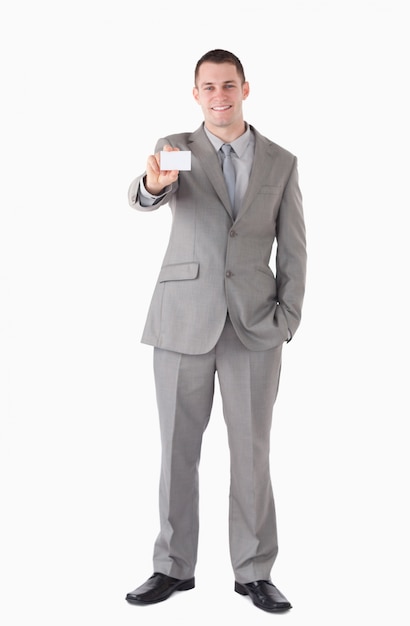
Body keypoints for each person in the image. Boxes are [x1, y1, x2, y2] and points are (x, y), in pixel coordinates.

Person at [125, 49, 307, 613]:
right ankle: (172, 567)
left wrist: (287, 318)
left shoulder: (280, 161)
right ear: (196, 93)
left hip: (254, 327)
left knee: (251, 453)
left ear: (246, 89)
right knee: (177, 450)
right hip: (182, 321)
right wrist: (152, 184)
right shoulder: (174, 147)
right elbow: (146, 196)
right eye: (208, 86)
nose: (219, 95)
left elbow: (295, 248)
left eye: (229, 85)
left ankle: (254, 571)